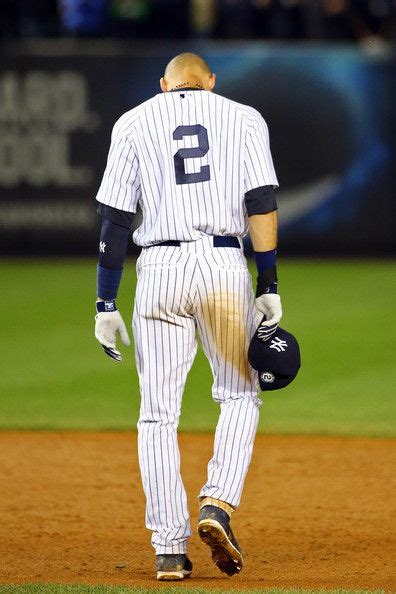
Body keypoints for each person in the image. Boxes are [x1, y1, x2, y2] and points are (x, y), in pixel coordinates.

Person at [94, 52, 282, 580]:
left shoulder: (133, 121)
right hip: (224, 266)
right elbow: (261, 202)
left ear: (164, 85)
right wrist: (268, 282)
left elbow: (114, 222)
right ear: (211, 83)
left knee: (157, 414)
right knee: (241, 393)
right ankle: (217, 504)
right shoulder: (242, 116)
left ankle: (169, 549)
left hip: (158, 268)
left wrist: (105, 302)